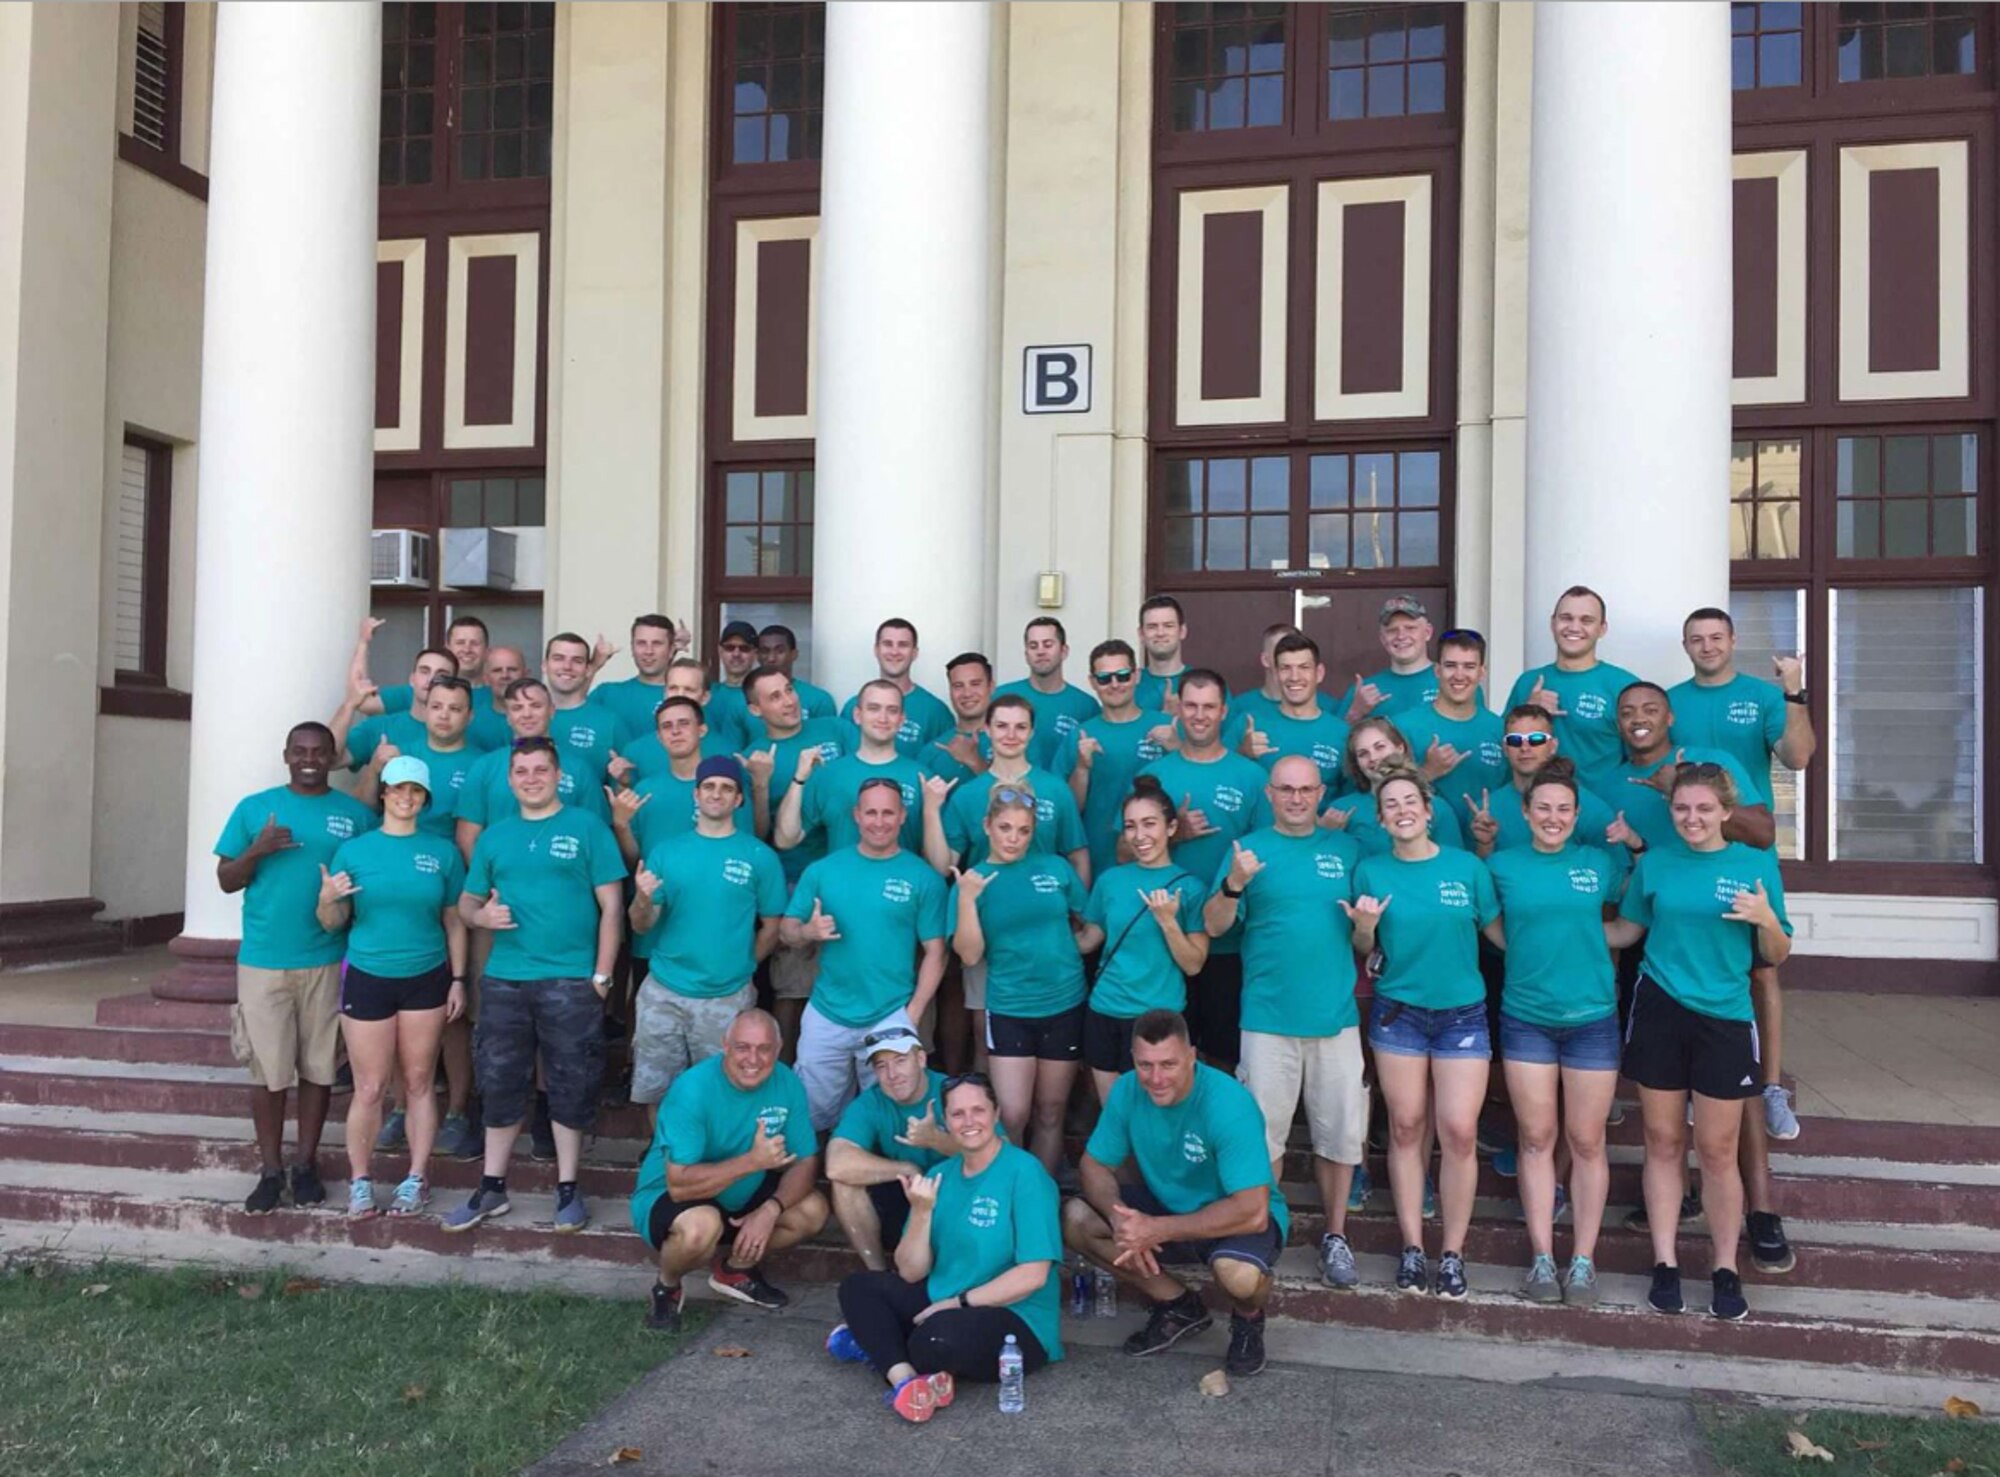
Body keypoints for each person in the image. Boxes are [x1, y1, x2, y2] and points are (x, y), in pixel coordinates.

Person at [1605, 762, 1792, 1322]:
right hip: (1661, 1010)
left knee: (1715, 1151)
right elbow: (1626, 931)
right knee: (1662, 1143)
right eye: (1683, 808)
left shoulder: (1753, 866)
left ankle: (1725, 1267)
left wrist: (1765, 919)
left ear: (1726, 813)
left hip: (1725, 1019)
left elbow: (1778, 954)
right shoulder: (1656, 862)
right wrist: (1559, 931)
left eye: (1704, 808)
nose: (1692, 818)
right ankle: (1664, 1264)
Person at [444, 737, 626, 1233]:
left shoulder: (587, 827)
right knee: (500, 1082)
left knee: (570, 1083)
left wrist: (603, 976)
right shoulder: (495, 837)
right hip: (505, 978)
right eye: (521, 771)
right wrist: (480, 915)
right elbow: (465, 903)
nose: (530, 778)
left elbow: (612, 906)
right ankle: (491, 1188)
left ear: (557, 774)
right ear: (509, 779)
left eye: (540, 770)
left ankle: (568, 1188)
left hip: (571, 979)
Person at [1203, 755, 1367, 1291]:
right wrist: (1232, 883)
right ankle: (1263, 1230)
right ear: (1269, 794)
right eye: (1285, 789)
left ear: (1322, 792)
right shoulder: (1248, 852)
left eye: (1305, 789)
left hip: (1336, 1018)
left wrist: (1366, 929)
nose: (1296, 798)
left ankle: (1336, 1235)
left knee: (1340, 1136)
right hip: (1268, 1020)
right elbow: (1213, 925)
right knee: (1263, 1138)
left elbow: (1366, 937)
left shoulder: (1347, 851)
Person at [1063, 1010, 1287, 1378]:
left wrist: (1159, 1229)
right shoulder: (1126, 1089)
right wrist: (1119, 1216)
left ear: (1192, 1057)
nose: (1156, 1078)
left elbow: (1253, 1211)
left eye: (1168, 1064)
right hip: (1166, 1207)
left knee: (1240, 1276)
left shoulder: (1228, 1104)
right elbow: (1094, 1166)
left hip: (1232, 1216)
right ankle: (1179, 1304)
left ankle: (1248, 1320)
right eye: (1145, 1065)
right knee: (1075, 1219)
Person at [831, 1073, 1064, 1424]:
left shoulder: (1025, 1173)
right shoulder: (942, 1173)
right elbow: (910, 1271)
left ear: (996, 1114)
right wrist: (922, 1212)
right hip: (941, 1299)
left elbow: (1033, 1275)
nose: (969, 1121)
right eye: (957, 1114)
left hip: (1017, 1318)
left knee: (937, 1339)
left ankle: (879, 1345)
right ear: (946, 1121)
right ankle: (906, 1382)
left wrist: (958, 1303)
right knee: (858, 1287)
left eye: (978, 1110)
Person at [1481, 758, 1628, 1304]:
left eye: (1564, 809)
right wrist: (1515, 947)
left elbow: (1634, 911)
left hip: (1592, 1018)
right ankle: (1543, 1258)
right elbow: (1488, 920)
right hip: (1527, 1018)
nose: (1553, 817)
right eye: (1543, 807)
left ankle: (1583, 1261)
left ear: (1576, 814)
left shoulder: (1598, 862)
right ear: (1525, 811)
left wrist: (1632, 844)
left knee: (1586, 1141)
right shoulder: (1503, 866)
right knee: (1537, 1139)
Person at [216, 722, 378, 1214]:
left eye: (319, 751)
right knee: (269, 1074)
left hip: (326, 957)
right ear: (286, 755)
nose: (309, 758)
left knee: (318, 1070)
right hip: (265, 960)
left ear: (332, 758)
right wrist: (257, 849)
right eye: (300, 751)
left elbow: (368, 880)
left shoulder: (354, 816)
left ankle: (305, 1166)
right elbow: (225, 880)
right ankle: (270, 1170)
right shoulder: (254, 809)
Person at [1349, 765, 1497, 1300]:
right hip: (1400, 1014)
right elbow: (1367, 948)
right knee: (1407, 1127)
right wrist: (1365, 929)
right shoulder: (1370, 871)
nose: (1403, 810)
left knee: (1458, 1131)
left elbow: (1499, 934)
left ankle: (1452, 1253)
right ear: (1381, 817)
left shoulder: (1467, 869)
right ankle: (1413, 1248)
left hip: (1462, 1014)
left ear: (1428, 811)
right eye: (1391, 804)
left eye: (1411, 800)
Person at [1671, 607, 1815, 1147]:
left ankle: (1771, 1085)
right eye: (1696, 639)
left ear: (1733, 640)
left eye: (1716, 637)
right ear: (1685, 645)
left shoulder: (1762, 696)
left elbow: (1798, 757)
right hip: (1687, 851)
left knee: (1761, 970)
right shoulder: (1673, 701)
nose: (1706, 646)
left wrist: (1795, 691)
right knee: (1688, 961)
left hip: (1749, 852)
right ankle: (1692, 1080)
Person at [315, 756, 468, 1219]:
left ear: (425, 799)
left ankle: (416, 1177)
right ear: (383, 793)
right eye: (397, 789)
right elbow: (332, 923)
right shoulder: (355, 851)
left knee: (419, 1081)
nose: (406, 798)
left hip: (426, 975)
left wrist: (458, 978)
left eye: (415, 791)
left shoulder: (441, 852)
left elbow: (454, 920)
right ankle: (361, 1181)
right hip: (368, 974)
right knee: (369, 1085)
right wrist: (327, 899)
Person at [633, 1008, 830, 1328]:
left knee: (812, 1211)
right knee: (701, 1227)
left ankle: (734, 1270)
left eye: (764, 1048)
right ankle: (666, 1286)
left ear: (778, 1050)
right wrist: (753, 1161)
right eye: (742, 1047)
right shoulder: (693, 1089)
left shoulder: (787, 1083)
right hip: (670, 1195)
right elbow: (679, 1185)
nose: (753, 1059)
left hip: (744, 1191)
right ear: (725, 1045)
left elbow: (806, 1160)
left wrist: (771, 1209)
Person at [628, 756, 787, 1124]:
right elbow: (641, 925)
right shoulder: (666, 852)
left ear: (739, 799)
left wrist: (745, 967)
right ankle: (665, 1159)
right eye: (709, 786)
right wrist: (640, 898)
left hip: (726, 996)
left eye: (727, 787)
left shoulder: (759, 856)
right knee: (660, 1090)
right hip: (664, 992)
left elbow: (772, 925)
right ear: (696, 794)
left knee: (724, 1091)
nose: (717, 794)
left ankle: (714, 1169)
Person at [783, 778, 950, 1130]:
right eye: (870, 812)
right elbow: (787, 930)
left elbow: (936, 952)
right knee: (813, 1114)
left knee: (890, 1116)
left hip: (890, 1014)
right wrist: (807, 932)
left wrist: (911, 1015)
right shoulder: (823, 871)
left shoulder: (922, 877)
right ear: (856, 815)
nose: (879, 821)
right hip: (828, 1012)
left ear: (903, 816)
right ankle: (817, 1177)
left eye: (888, 812)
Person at [1136, 670, 1272, 1071]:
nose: (1199, 715)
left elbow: (1266, 856)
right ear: (1178, 708)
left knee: (1222, 1053)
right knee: (1162, 1054)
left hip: (1229, 942)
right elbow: (1123, 849)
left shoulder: (1251, 777)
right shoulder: (1156, 777)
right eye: (1191, 705)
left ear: (1223, 711)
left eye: (1209, 707)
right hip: (1165, 933)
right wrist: (1174, 834)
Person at [951, 786, 1091, 1173]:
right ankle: (1010, 1188)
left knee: (1050, 1111)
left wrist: (1067, 949)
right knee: (1012, 1114)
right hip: (1010, 1006)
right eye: (1005, 828)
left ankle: (1041, 1194)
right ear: (987, 827)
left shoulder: (1056, 869)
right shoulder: (974, 881)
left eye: (1023, 830)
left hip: (1064, 1002)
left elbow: (1091, 923)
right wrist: (966, 900)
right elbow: (969, 954)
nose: (1014, 838)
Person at [741, 666, 850, 1050]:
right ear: (755, 710)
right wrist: (759, 783)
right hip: (792, 882)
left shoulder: (835, 729)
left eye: (788, 690)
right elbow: (758, 836)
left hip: (845, 876)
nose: (788, 701)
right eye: (774, 697)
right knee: (792, 989)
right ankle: (787, 1079)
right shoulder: (758, 755)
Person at [1079, 778, 1208, 1103]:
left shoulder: (1190, 887)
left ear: (1171, 827)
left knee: (1156, 1115)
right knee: (1115, 1115)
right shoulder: (1110, 880)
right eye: (1131, 826)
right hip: (1105, 1011)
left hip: (1158, 1020)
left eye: (1149, 824)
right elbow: (1089, 940)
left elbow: (1193, 964)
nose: (1139, 836)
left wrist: (1167, 921)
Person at [826, 1025, 959, 1270]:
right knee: (844, 1182)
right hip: (907, 1194)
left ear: (920, 1059)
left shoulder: (954, 1092)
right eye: (881, 1066)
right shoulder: (873, 1101)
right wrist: (907, 1168)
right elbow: (837, 1163)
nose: (892, 1074)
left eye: (900, 1061)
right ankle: (878, 1273)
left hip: (956, 1198)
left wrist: (936, 1139)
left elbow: (1001, 1152)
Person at [928, 694, 1090, 881]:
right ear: (987, 729)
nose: (1011, 735)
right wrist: (930, 810)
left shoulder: (1056, 789)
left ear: (1031, 732)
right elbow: (944, 867)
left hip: (1046, 904)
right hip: (986, 904)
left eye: (1021, 727)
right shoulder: (966, 795)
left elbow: (1078, 857)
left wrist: (1079, 908)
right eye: (1001, 726)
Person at [455, 679, 612, 862]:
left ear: (552, 711)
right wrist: (486, 885)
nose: (527, 714)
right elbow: (468, 837)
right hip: (499, 883)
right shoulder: (485, 767)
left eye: (536, 706)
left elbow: (597, 839)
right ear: (507, 716)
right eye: (517, 708)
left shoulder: (579, 769)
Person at [1505, 586, 1641, 790]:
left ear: (1602, 628)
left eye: (1586, 620)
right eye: (1566, 618)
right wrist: (1530, 712)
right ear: (1553, 623)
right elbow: (1504, 749)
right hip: (1537, 811)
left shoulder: (1624, 686)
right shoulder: (1527, 682)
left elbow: (1642, 757)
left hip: (1601, 812)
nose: (1574, 627)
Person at [778, 678, 926, 861]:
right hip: (841, 887)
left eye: (892, 710)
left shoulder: (922, 777)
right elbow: (786, 839)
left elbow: (937, 860)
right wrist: (799, 779)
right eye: (874, 708)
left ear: (902, 719)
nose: (883, 718)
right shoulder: (828, 774)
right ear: (857, 715)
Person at [1060, 639, 1168, 883]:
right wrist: (1081, 769)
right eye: (1104, 678)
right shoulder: (1079, 737)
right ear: (1092, 683)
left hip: (1159, 866)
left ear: (1137, 676)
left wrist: (1178, 747)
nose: (1115, 684)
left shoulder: (1165, 728)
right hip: (1097, 866)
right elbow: (1067, 811)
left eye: (1123, 675)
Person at [1468, 705, 1621, 857]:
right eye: (1515, 740)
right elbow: (1473, 876)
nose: (1525, 747)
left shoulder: (1590, 808)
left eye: (1536, 739)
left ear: (1553, 746)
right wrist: (1485, 844)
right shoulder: (1484, 811)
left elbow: (1616, 874)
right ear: (1505, 748)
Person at [1398, 629, 1509, 823]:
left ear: (1482, 672)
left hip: (1487, 845)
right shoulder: (1403, 726)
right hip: (1424, 847)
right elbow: (1385, 796)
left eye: (1469, 666)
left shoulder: (1501, 729)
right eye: (1450, 665)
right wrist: (1427, 771)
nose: (1459, 675)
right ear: (1437, 670)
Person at [1320, 716, 1469, 855]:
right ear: (1356, 763)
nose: (1373, 758)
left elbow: (1453, 864)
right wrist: (1323, 833)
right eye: (1363, 754)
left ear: (1400, 748)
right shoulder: (1342, 809)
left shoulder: (1434, 806)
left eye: (1380, 747)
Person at [1238, 633, 1351, 793]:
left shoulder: (1342, 733)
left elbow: (1351, 797)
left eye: (1304, 667)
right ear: (1276, 674)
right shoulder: (1249, 724)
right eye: (1286, 668)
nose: (1294, 677)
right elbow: (1221, 778)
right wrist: (1242, 753)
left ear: (1319, 673)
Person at [839, 618, 954, 759]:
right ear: (876, 650)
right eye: (887, 644)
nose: (894, 652)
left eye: (903, 645)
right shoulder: (853, 707)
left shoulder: (936, 711)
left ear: (914, 653)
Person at [333, 644, 460, 770]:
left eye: (442, 674)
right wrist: (348, 706)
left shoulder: (463, 733)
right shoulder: (380, 728)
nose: (431, 679)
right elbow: (331, 761)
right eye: (424, 671)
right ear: (412, 679)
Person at [995, 618, 1099, 771]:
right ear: (1026, 654)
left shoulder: (1086, 705)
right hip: (1012, 792)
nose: (1040, 651)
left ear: (1064, 651)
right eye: (1033, 646)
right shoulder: (1001, 697)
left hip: (1064, 793)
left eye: (1048, 644)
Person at [542, 631, 626, 801]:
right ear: (544, 665)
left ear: (588, 669)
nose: (567, 666)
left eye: (577, 661)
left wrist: (624, 779)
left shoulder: (609, 722)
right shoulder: (524, 717)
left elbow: (625, 784)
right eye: (558, 658)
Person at [1339, 595, 1441, 722]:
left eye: (1410, 628)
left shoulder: (1452, 680)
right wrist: (1355, 712)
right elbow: (1335, 740)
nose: (1401, 636)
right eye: (1392, 630)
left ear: (1427, 632)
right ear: (1382, 638)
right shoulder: (1362, 692)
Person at [592, 613, 691, 743]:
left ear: (671, 649)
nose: (648, 651)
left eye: (657, 643)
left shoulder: (689, 694)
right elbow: (569, 707)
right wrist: (594, 665)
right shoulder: (607, 693)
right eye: (641, 643)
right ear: (632, 648)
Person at [921, 652, 995, 785]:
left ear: (991, 687)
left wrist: (975, 761)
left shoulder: (1011, 741)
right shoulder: (931, 751)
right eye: (958, 686)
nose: (967, 693)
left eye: (975, 684)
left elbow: (1019, 799)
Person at [1228, 623, 1302, 739]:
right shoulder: (1240, 706)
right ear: (1265, 660)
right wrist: (1243, 750)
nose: (1289, 658)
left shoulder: (1323, 706)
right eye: (1282, 652)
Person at [756, 623, 840, 722]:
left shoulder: (819, 699)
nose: (771, 658)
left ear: (794, 654)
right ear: (757, 656)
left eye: (780, 651)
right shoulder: (747, 698)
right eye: (765, 651)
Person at [704, 620, 764, 752]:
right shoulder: (706, 694)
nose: (736, 654)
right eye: (730, 648)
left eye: (744, 648)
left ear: (755, 653)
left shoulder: (762, 697)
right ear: (720, 651)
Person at [1133, 595, 1190, 712]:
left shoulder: (1206, 684)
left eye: (1168, 626)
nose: (1160, 633)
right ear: (1141, 634)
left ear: (1182, 631)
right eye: (1152, 627)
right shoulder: (1126, 685)